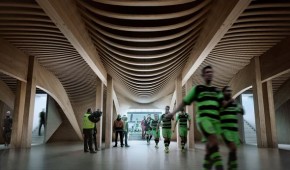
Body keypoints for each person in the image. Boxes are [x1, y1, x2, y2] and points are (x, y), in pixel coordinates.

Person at [167, 65, 224, 170]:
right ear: (203, 75)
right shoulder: (198, 89)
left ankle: (207, 165)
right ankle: (220, 166)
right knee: (214, 142)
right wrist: (173, 112)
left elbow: (223, 104)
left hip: (215, 121)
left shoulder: (217, 91)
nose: (209, 74)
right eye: (207, 72)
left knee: (210, 145)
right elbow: (184, 102)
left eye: (211, 72)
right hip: (204, 120)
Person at [220, 86, 244, 170]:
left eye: (230, 91)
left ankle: (230, 166)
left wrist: (241, 108)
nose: (229, 92)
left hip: (234, 131)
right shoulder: (221, 102)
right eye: (227, 91)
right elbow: (224, 106)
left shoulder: (234, 104)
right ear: (223, 93)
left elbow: (241, 111)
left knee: (233, 150)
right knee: (233, 148)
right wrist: (231, 100)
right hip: (225, 130)